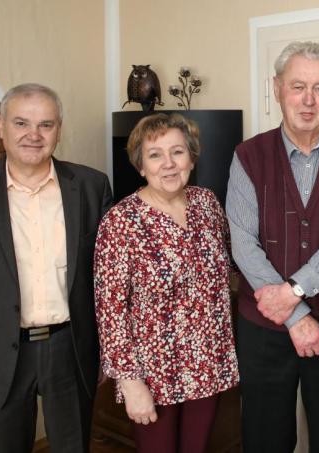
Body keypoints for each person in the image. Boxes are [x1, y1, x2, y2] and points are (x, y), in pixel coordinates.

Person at [0, 83, 113, 452]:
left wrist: (111, 351)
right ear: (1, 126)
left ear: (58, 129)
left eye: (46, 124)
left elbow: (107, 280)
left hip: (71, 348)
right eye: (22, 123)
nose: (34, 135)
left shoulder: (92, 186)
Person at [225, 41, 319, 452]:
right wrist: (296, 317)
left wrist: (293, 292)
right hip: (263, 328)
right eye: (298, 87)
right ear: (277, 89)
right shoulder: (248, 155)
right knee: (265, 439)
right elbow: (243, 244)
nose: (308, 100)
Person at [94, 113, 239, 453]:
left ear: (192, 158)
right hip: (153, 371)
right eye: (155, 155)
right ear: (141, 166)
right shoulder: (121, 222)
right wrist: (130, 382)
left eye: (177, 152)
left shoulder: (207, 204)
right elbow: (110, 312)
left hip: (208, 363)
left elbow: (233, 263)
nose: (169, 164)